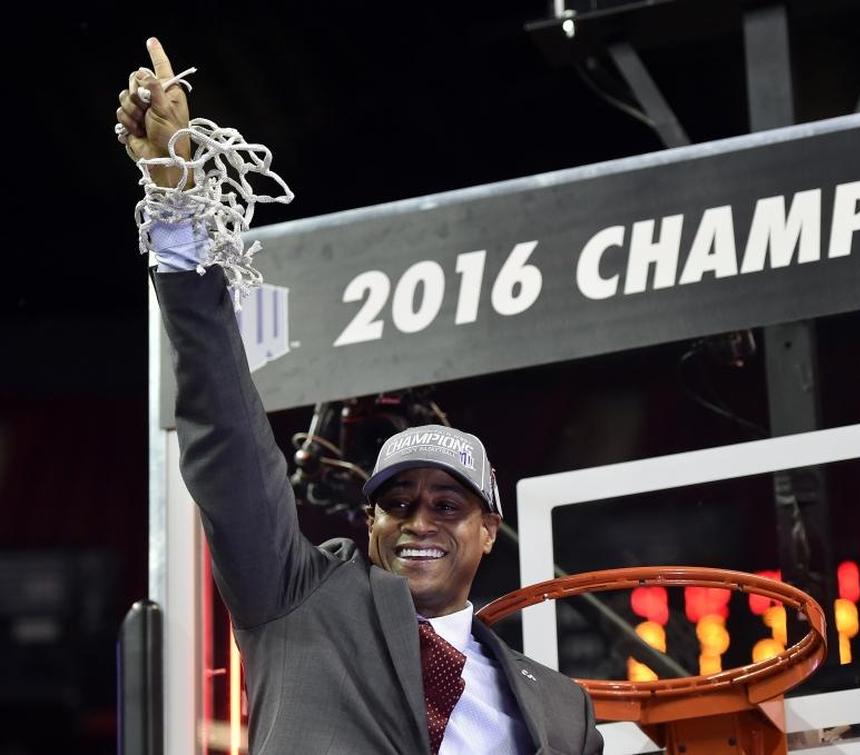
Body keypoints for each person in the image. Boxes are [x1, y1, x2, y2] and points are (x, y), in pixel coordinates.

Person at [117, 37, 604, 755]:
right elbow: (226, 430)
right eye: (399, 501)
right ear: (369, 518)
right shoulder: (297, 596)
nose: (419, 520)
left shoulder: (563, 709)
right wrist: (177, 199)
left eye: (447, 503)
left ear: (489, 528)